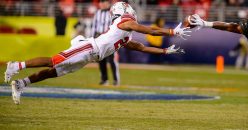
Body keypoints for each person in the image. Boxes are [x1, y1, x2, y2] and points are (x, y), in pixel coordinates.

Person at [4, 2, 190, 105]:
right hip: (89, 47)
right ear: (125, 11)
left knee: (55, 71)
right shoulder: (124, 22)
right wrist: (172, 32)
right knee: (54, 61)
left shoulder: (124, 34)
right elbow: (149, 31)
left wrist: (164, 50)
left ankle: (21, 84)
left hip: (90, 56)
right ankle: (16, 65)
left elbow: (141, 48)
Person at [91, 0, 119, 86]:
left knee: (112, 60)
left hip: (110, 39)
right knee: (101, 60)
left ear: (108, 3)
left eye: (104, 2)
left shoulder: (112, 13)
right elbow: (94, 27)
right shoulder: (97, 13)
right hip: (99, 39)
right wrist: (92, 39)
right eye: (101, 2)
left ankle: (115, 80)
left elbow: (115, 26)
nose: (102, 4)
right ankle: (104, 79)